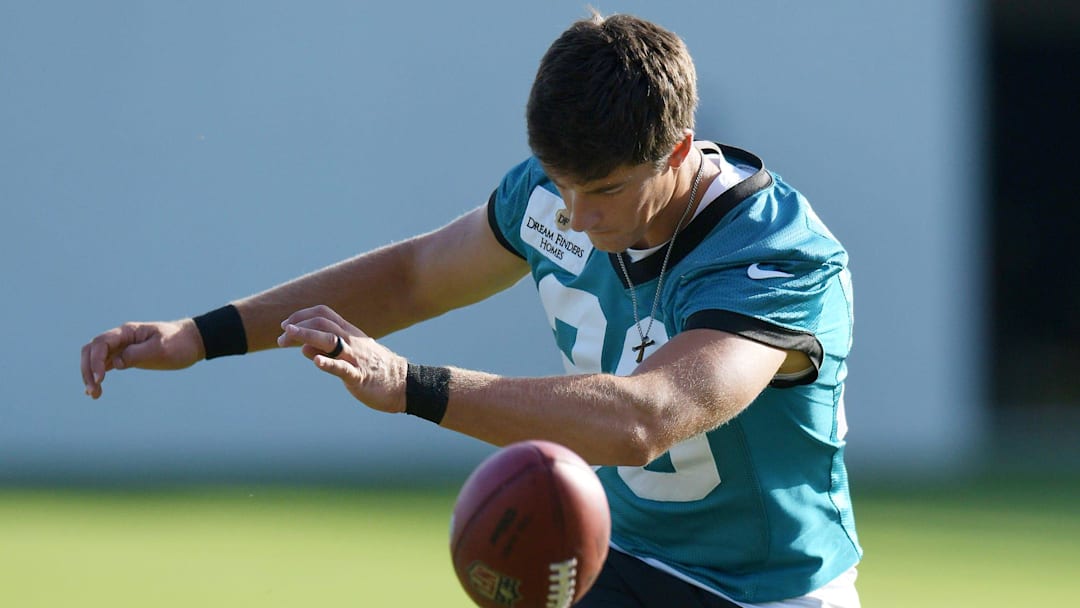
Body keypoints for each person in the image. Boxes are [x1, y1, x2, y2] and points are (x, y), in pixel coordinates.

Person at [80, 12, 861, 608]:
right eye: (562, 182)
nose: (579, 216)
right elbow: (416, 275)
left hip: (766, 591)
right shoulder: (550, 196)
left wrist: (411, 385)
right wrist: (200, 335)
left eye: (608, 190)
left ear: (680, 153)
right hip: (619, 560)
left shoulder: (777, 258)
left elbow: (643, 420)